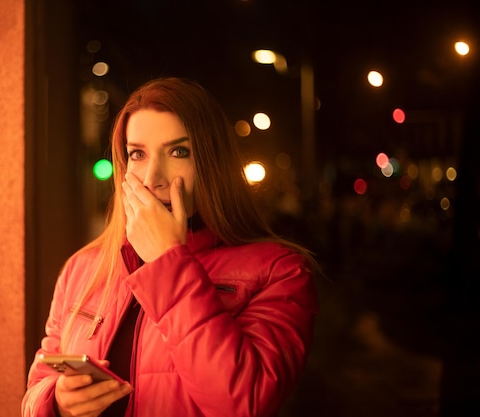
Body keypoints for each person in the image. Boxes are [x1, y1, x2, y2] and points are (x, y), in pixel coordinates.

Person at [22, 77, 319, 417]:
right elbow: (37, 386)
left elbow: (242, 403)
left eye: (178, 151)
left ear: (212, 163)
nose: (152, 178)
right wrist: (56, 402)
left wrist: (167, 259)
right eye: (137, 154)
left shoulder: (280, 272)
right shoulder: (84, 266)